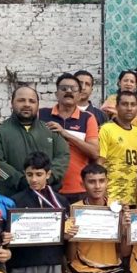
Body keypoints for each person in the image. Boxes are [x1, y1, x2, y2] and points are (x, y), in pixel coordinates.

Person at [7, 151, 70, 273]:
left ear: (48, 174)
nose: (34, 179)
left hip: (52, 260)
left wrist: (68, 234)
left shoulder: (60, 201)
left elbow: (66, 234)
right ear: (25, 175)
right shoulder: (15, 201)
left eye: (39, 174)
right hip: (25, 262)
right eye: (29, 174)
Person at [64, 163, 130, 273]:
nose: (97, 186)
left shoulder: (117, 210)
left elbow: (123, 253)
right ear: (83, 184)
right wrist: (70, 238)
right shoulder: (75, 210)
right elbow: (70, 258)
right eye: (92, 181)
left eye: (101, 181)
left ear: (107, 182)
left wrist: (124, 231)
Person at [0, 86, 70, 198]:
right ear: (12, 103)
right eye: (21, 100)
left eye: (32, 101)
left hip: (48, 196)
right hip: (11, 197)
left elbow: (63, 156)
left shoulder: (51, 131)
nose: (27, 104)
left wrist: (48, 177)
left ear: (38, 105)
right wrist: (20, 181)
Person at [40, 73, 100, 204]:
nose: (68, 91)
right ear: (56, 93)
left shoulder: (87, 118)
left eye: (73, 89)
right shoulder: (41, 115)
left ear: (79, 95)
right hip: (46, 187)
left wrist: (65, 134)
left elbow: (95, 152)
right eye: (64, 88)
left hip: (78, 189)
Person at [98, 91, 137, 207]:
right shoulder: (106, 129)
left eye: (133, 105)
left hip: (132, 198)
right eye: (125, 104)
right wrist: (101, 193)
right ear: (116, 107)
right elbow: (99, 163)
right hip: (110, 198)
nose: (129, 108)